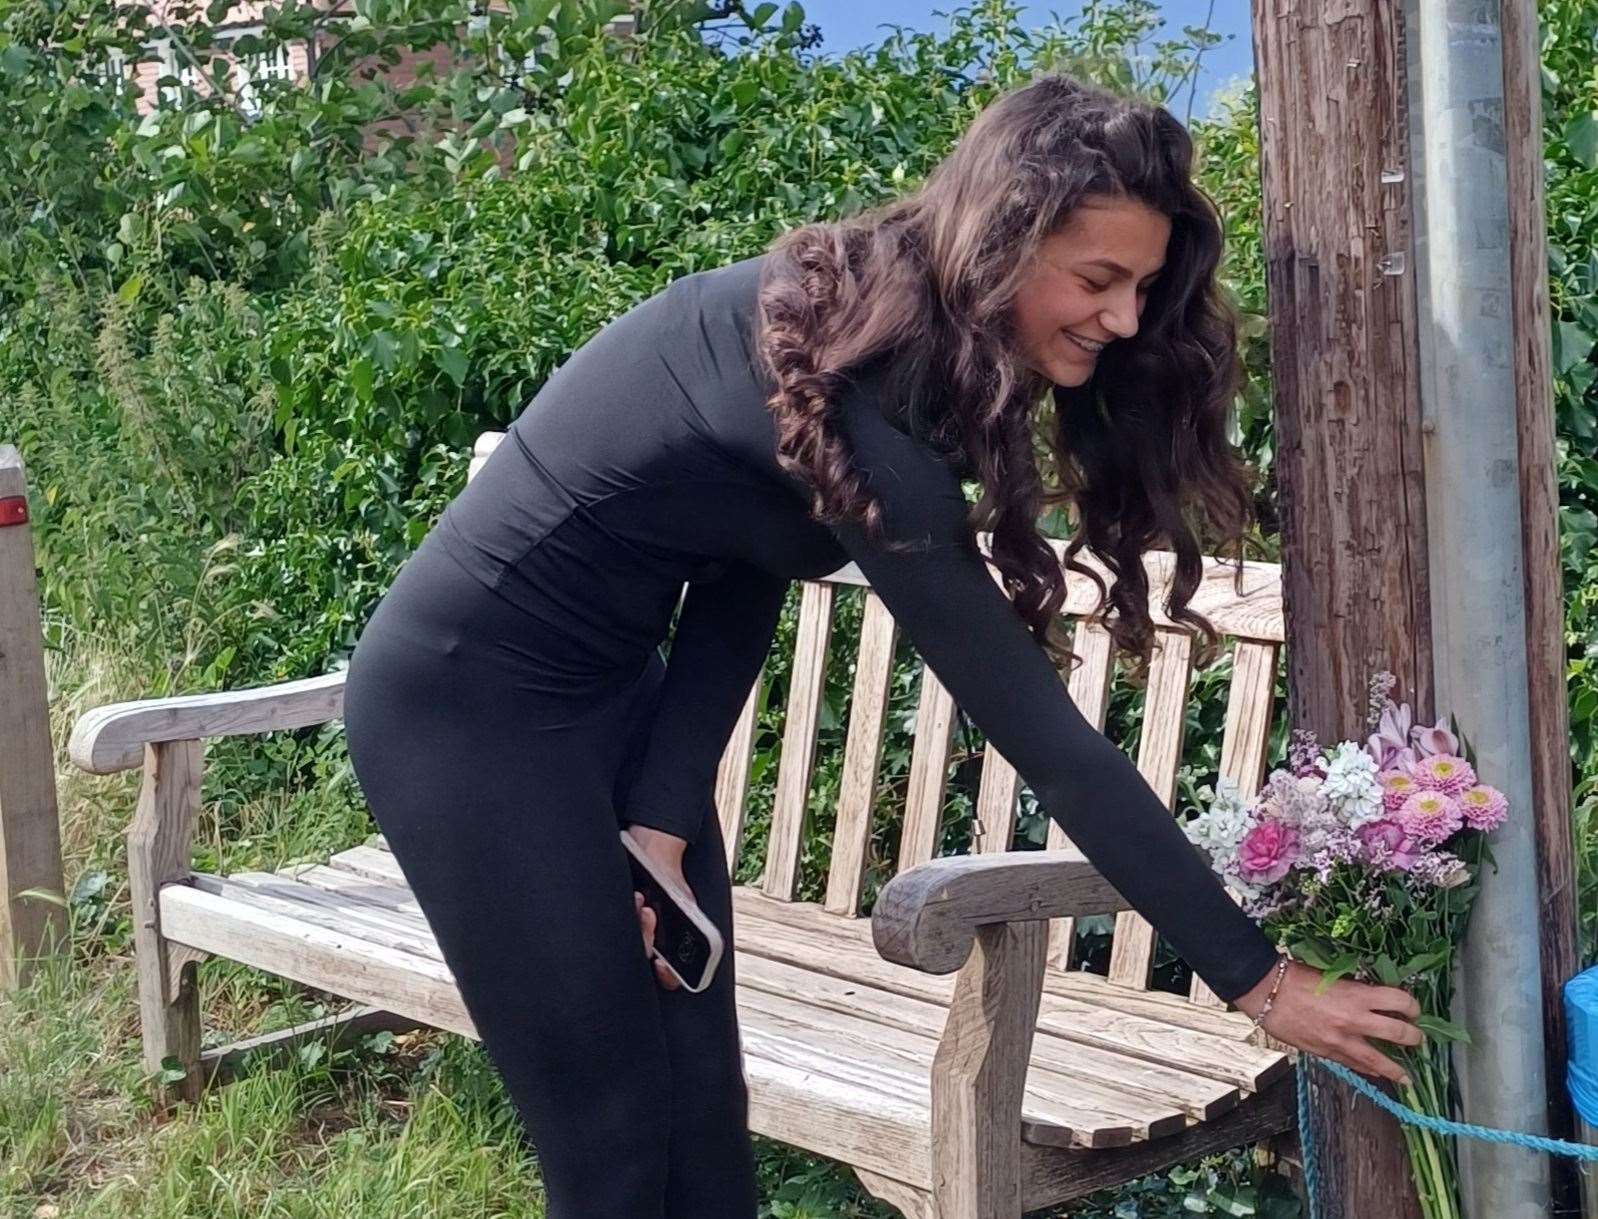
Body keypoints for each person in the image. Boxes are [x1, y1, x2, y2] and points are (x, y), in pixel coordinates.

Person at [341, 71, 1424, 1219]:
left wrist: (656, 817)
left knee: (700, 1128)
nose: (1119, 320)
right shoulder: (851, 395)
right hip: (463, 719)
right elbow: (1048, 745)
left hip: (611, 712)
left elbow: (733, 567)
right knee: (610, 1142)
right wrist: (1259, 982)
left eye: (1141, 287)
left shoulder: (869, 337)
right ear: (1001, 241)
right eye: (1096, 279)